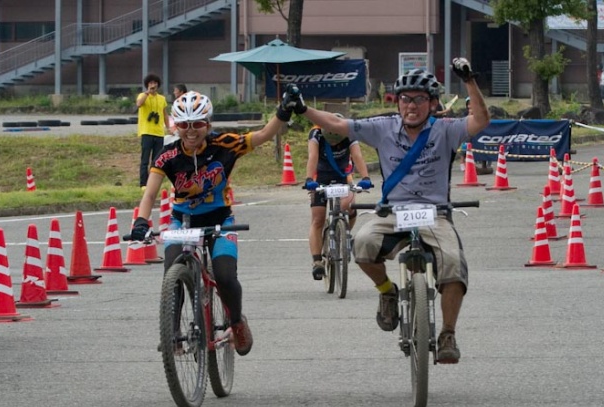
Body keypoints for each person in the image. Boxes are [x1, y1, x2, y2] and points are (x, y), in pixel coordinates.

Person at [286, 58, 490, 364]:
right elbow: (338, 125)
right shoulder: (382, 128)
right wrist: (303, 109)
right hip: (393, 212)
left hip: (434, 213)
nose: (412, 106)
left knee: (453, 264)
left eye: (420, 100)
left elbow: (480, 121)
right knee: (362, 243)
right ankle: (387, 292)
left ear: (433, 104)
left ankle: (448, 333)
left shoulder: (446, 130)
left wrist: (470, 81)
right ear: (397, 102)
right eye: (406, 99)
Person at [129, 90, 300, 357]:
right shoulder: (167, 154)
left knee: (225, 276)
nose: (190, 131)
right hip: (182, 221)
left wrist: (283, 110)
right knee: (171, 270)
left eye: (197, 124)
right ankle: (172, 334)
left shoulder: (226, 144)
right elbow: (150, 192)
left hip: (221, 220)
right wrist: (141, 220)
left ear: (208, 124)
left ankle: (236, 323)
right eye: (183, 125)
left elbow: (264, 135)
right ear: (176, 125)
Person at [304, 114, 372, 280]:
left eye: (337, 142)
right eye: (331, 142)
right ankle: (317, 261)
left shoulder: (350, 132)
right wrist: (309, 179)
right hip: (320, 177)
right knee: (318, 218)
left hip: (342, 175)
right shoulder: (316, 134)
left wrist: (365, 178)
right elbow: (312, 157)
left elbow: (357, 156)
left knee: (349, 206)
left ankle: (345, 230)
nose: (334, 145)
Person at [136, 73, 169, 190]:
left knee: (156, 160)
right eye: (150, 83)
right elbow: (139, 104)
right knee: (145, 159)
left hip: (159, 133)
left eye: (155, 83)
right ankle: (143, 183)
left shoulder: (162, 99)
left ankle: (152, 183)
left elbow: (165, 114)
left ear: (158, 85)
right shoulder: (142, 95)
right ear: (147, 85)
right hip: (146, 132)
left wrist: (168, 127)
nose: (153, 85)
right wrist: (147, 93)